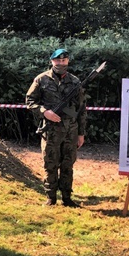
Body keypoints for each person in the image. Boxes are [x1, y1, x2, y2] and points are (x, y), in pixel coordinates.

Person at [26, 48, 87, 207]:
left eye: (64, 60)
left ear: (67, 61)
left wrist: (81, 134)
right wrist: (45, 112)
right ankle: (51, 197)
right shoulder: (41, 80)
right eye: (57, 60)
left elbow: (81, 110)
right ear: (52, 61)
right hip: (51, 130)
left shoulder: (75, 82)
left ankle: (67, 198)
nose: (60, 63)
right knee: (50, 164)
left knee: (68, 164)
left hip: (70, 131)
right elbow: (30, 101)